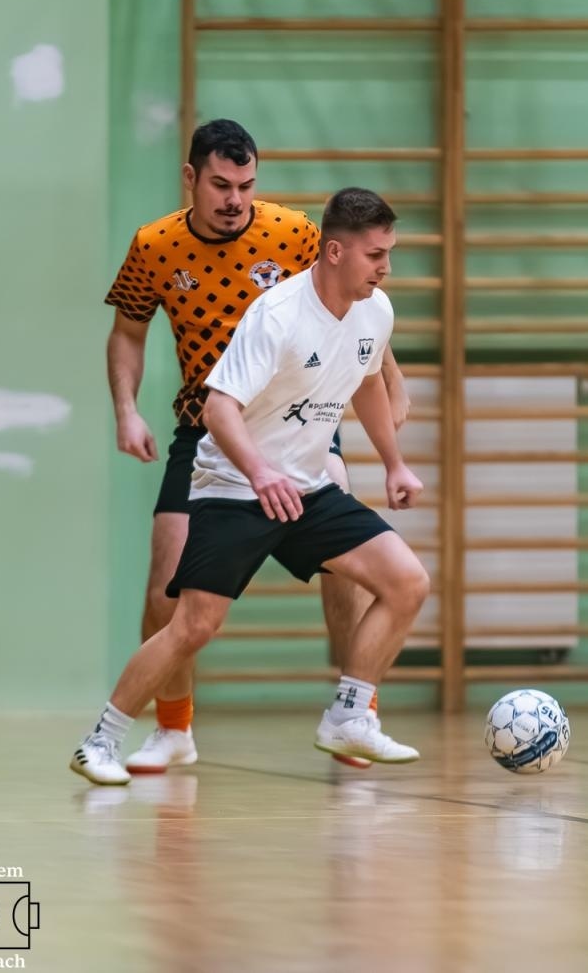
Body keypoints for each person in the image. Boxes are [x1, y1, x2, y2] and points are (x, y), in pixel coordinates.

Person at [73, 188, 428, 785]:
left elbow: (366, 382)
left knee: (407, 582)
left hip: (307, 489)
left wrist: (393, 463)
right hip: (237, 483)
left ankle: (349, 716)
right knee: (192, 625)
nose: (385, 267)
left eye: (389, 253)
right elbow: (217, 409)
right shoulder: (278, 315)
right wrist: (261, 472)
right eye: (376, 255)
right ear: (336, 252)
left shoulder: (376, 311)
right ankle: (100, 741)